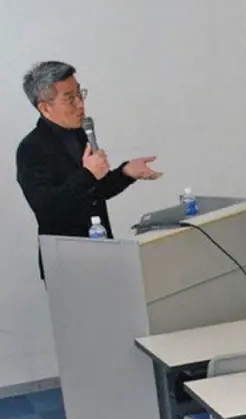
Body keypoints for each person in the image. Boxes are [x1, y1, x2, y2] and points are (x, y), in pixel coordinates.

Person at [16, 61, 161, 278]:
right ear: (45, 108)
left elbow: (95, 191)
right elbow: (47, 209)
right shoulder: (31, 149)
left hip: (102, 249)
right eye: (69, 98)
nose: (80, 103)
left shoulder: (80, 133)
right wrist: (88, 174)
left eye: (80, 93)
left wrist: (126, 173)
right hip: (66, 262)